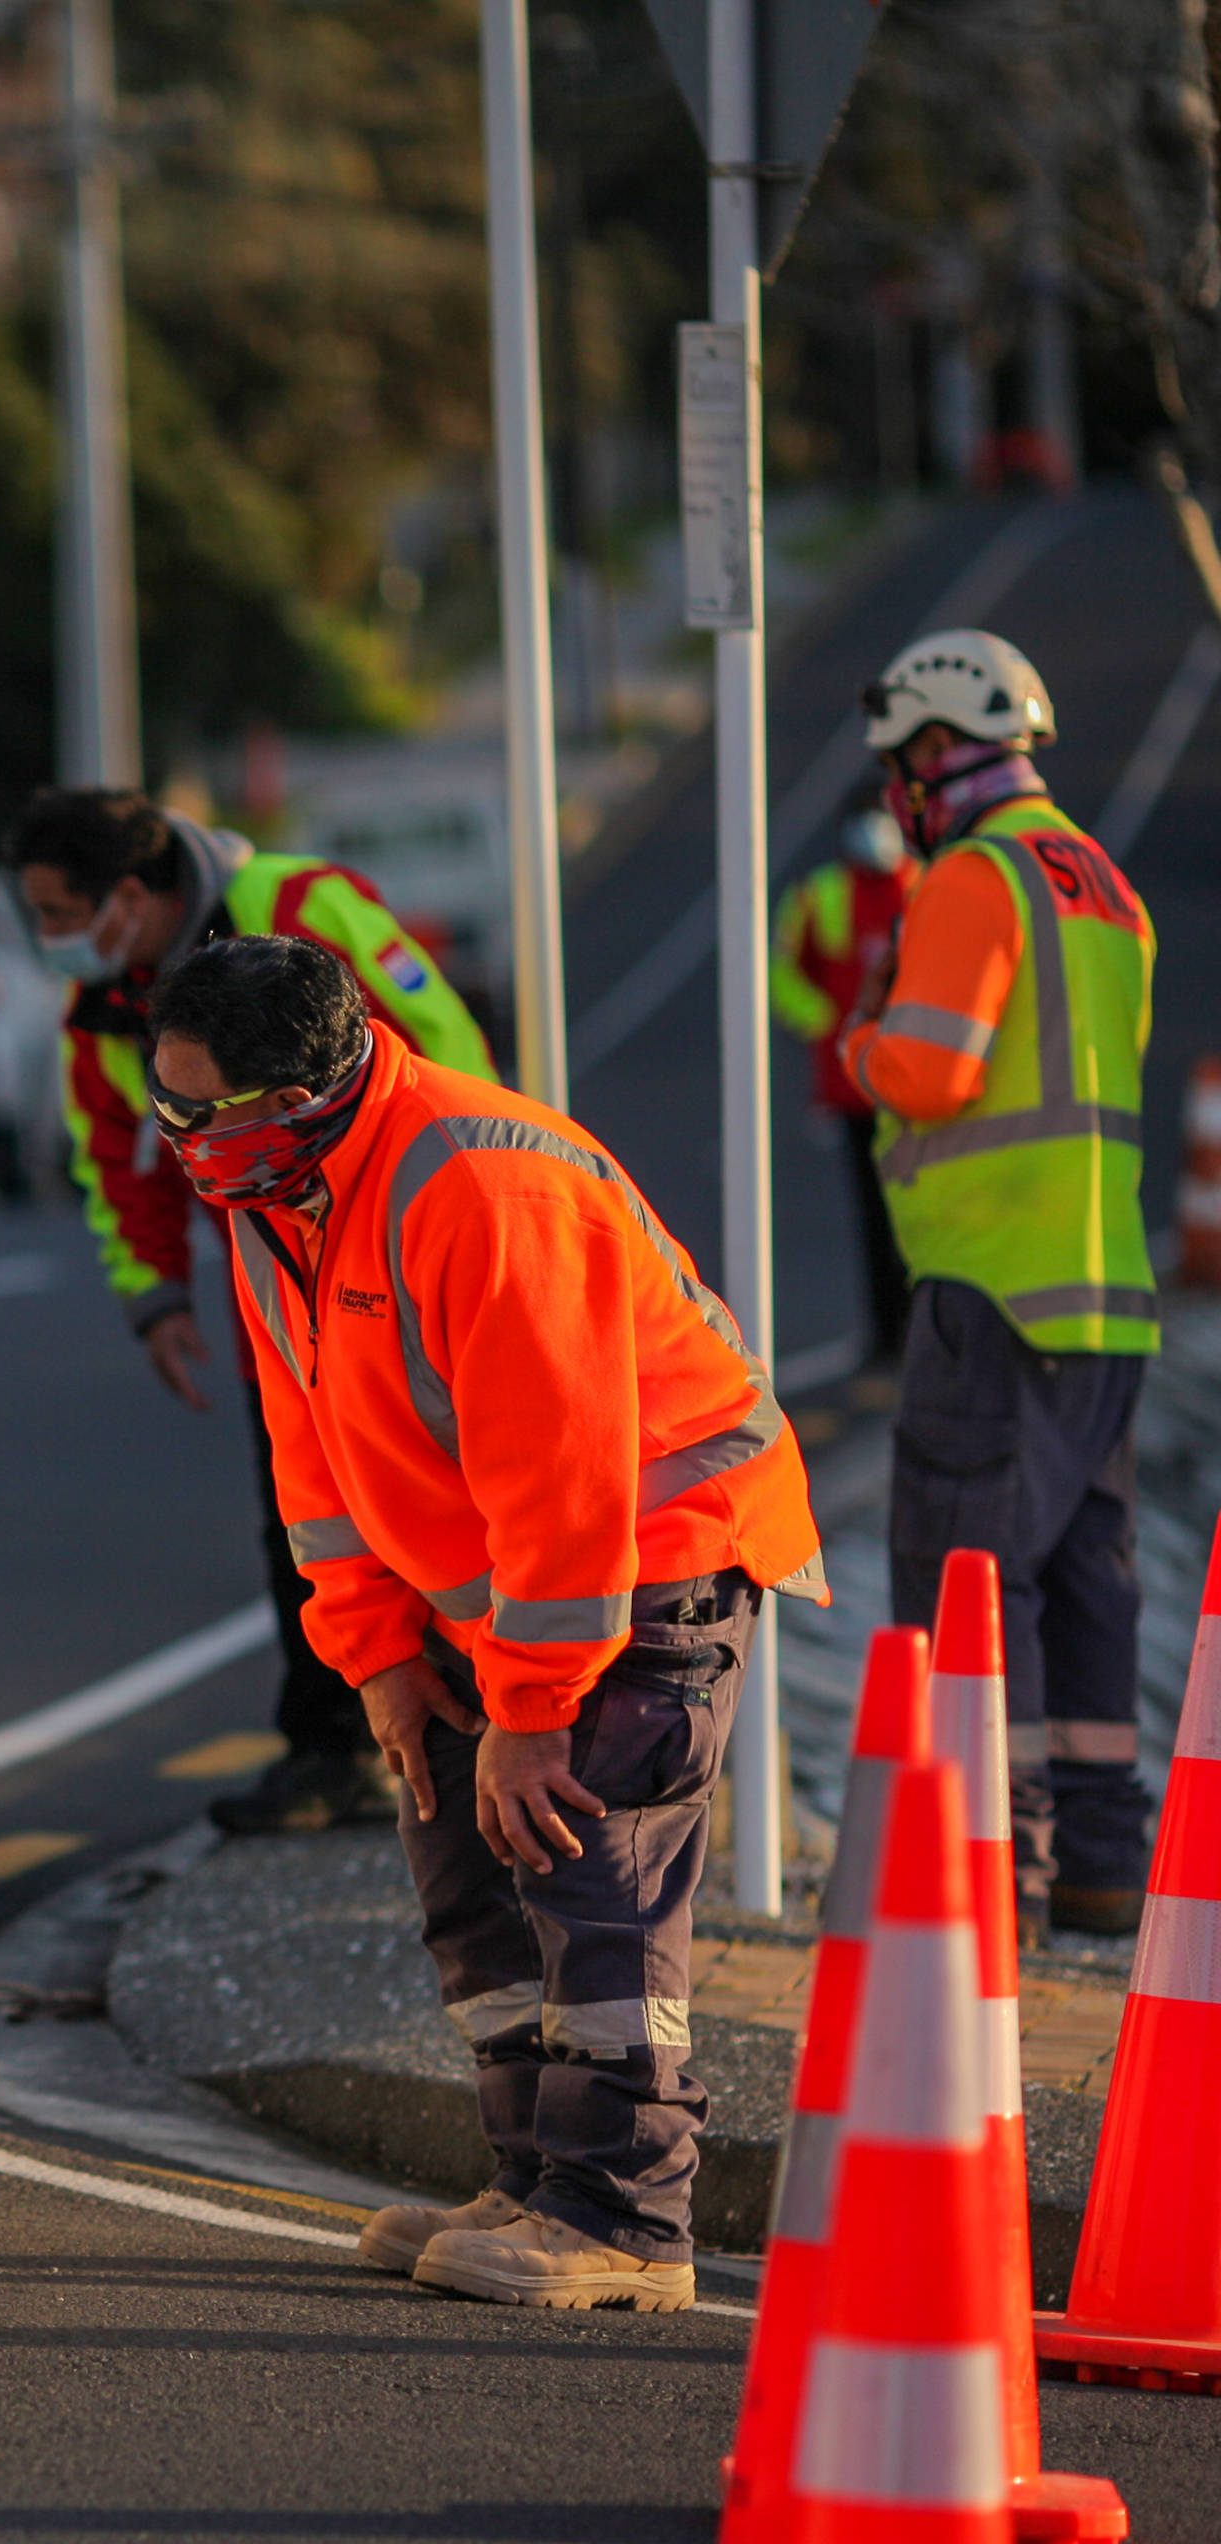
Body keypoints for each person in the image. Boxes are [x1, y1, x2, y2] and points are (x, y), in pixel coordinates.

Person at [148, 936, 824, 2313]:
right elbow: (315, 1462)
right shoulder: (277, 1193)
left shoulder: (478, 1185)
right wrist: (380, 1658)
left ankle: (626, 2224)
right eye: (168, 1112)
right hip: (501, 1590)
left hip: (646, 1559)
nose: (184, 1150)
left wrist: (530, 1711)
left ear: (309, 1094)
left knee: (593, 1879)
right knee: (468, 1877)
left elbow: (566, 1478)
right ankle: (530, 2185)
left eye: (206, 1117)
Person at [2, 787, 499, 1836]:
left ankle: (498, 1716)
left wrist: (445, 1240)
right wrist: (155, 1299)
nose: (46, 940)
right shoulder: (97, 1006)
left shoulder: (301, 903)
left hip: (405, 1262)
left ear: (127, 898)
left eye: (55, 914)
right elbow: (113, 1156)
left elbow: (444, 1051)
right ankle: (334, 1750)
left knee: (445, 1497)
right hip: (270, 1277)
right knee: (306, 1518)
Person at [835, 630, 1157, 1936]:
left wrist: (859, 1046)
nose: (894, 800)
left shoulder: (977, 876)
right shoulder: (1105, 886)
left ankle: (991, 1870)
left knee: (965, 1579)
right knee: (1088, 1580)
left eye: (895, 770)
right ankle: (1097, 1858)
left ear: (929, 752)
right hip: (1105, 1292)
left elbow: (937, 1067)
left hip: (993, 1292)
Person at [768, 805, 922, 1364]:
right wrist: (824, 1023)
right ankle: (889, 1333)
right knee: (875, 1216)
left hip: (918, 1082)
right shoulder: (821, 895)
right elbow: (784, 970)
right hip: (855, 1086)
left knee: (923, 1211)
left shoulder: (925, 885)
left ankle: (923, 1331)